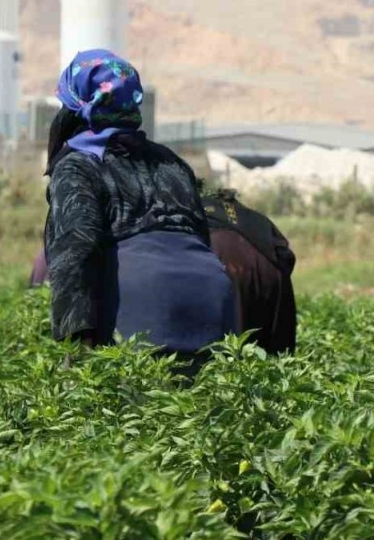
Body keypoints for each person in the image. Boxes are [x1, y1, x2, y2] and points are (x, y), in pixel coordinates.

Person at [44, 50, 238, 370]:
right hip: (214, 303)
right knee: (201, 414)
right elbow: (202, 237)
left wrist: (77, 344)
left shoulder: (79, 166)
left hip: (144, 309)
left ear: (75, 103)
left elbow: (77, 244)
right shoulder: (171, 162)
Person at [203, 188, 297, 354]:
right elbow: (285, 256)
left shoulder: (197, 223)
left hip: (226, 274)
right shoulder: (259, 223)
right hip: (271, 278)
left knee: (226, 358)